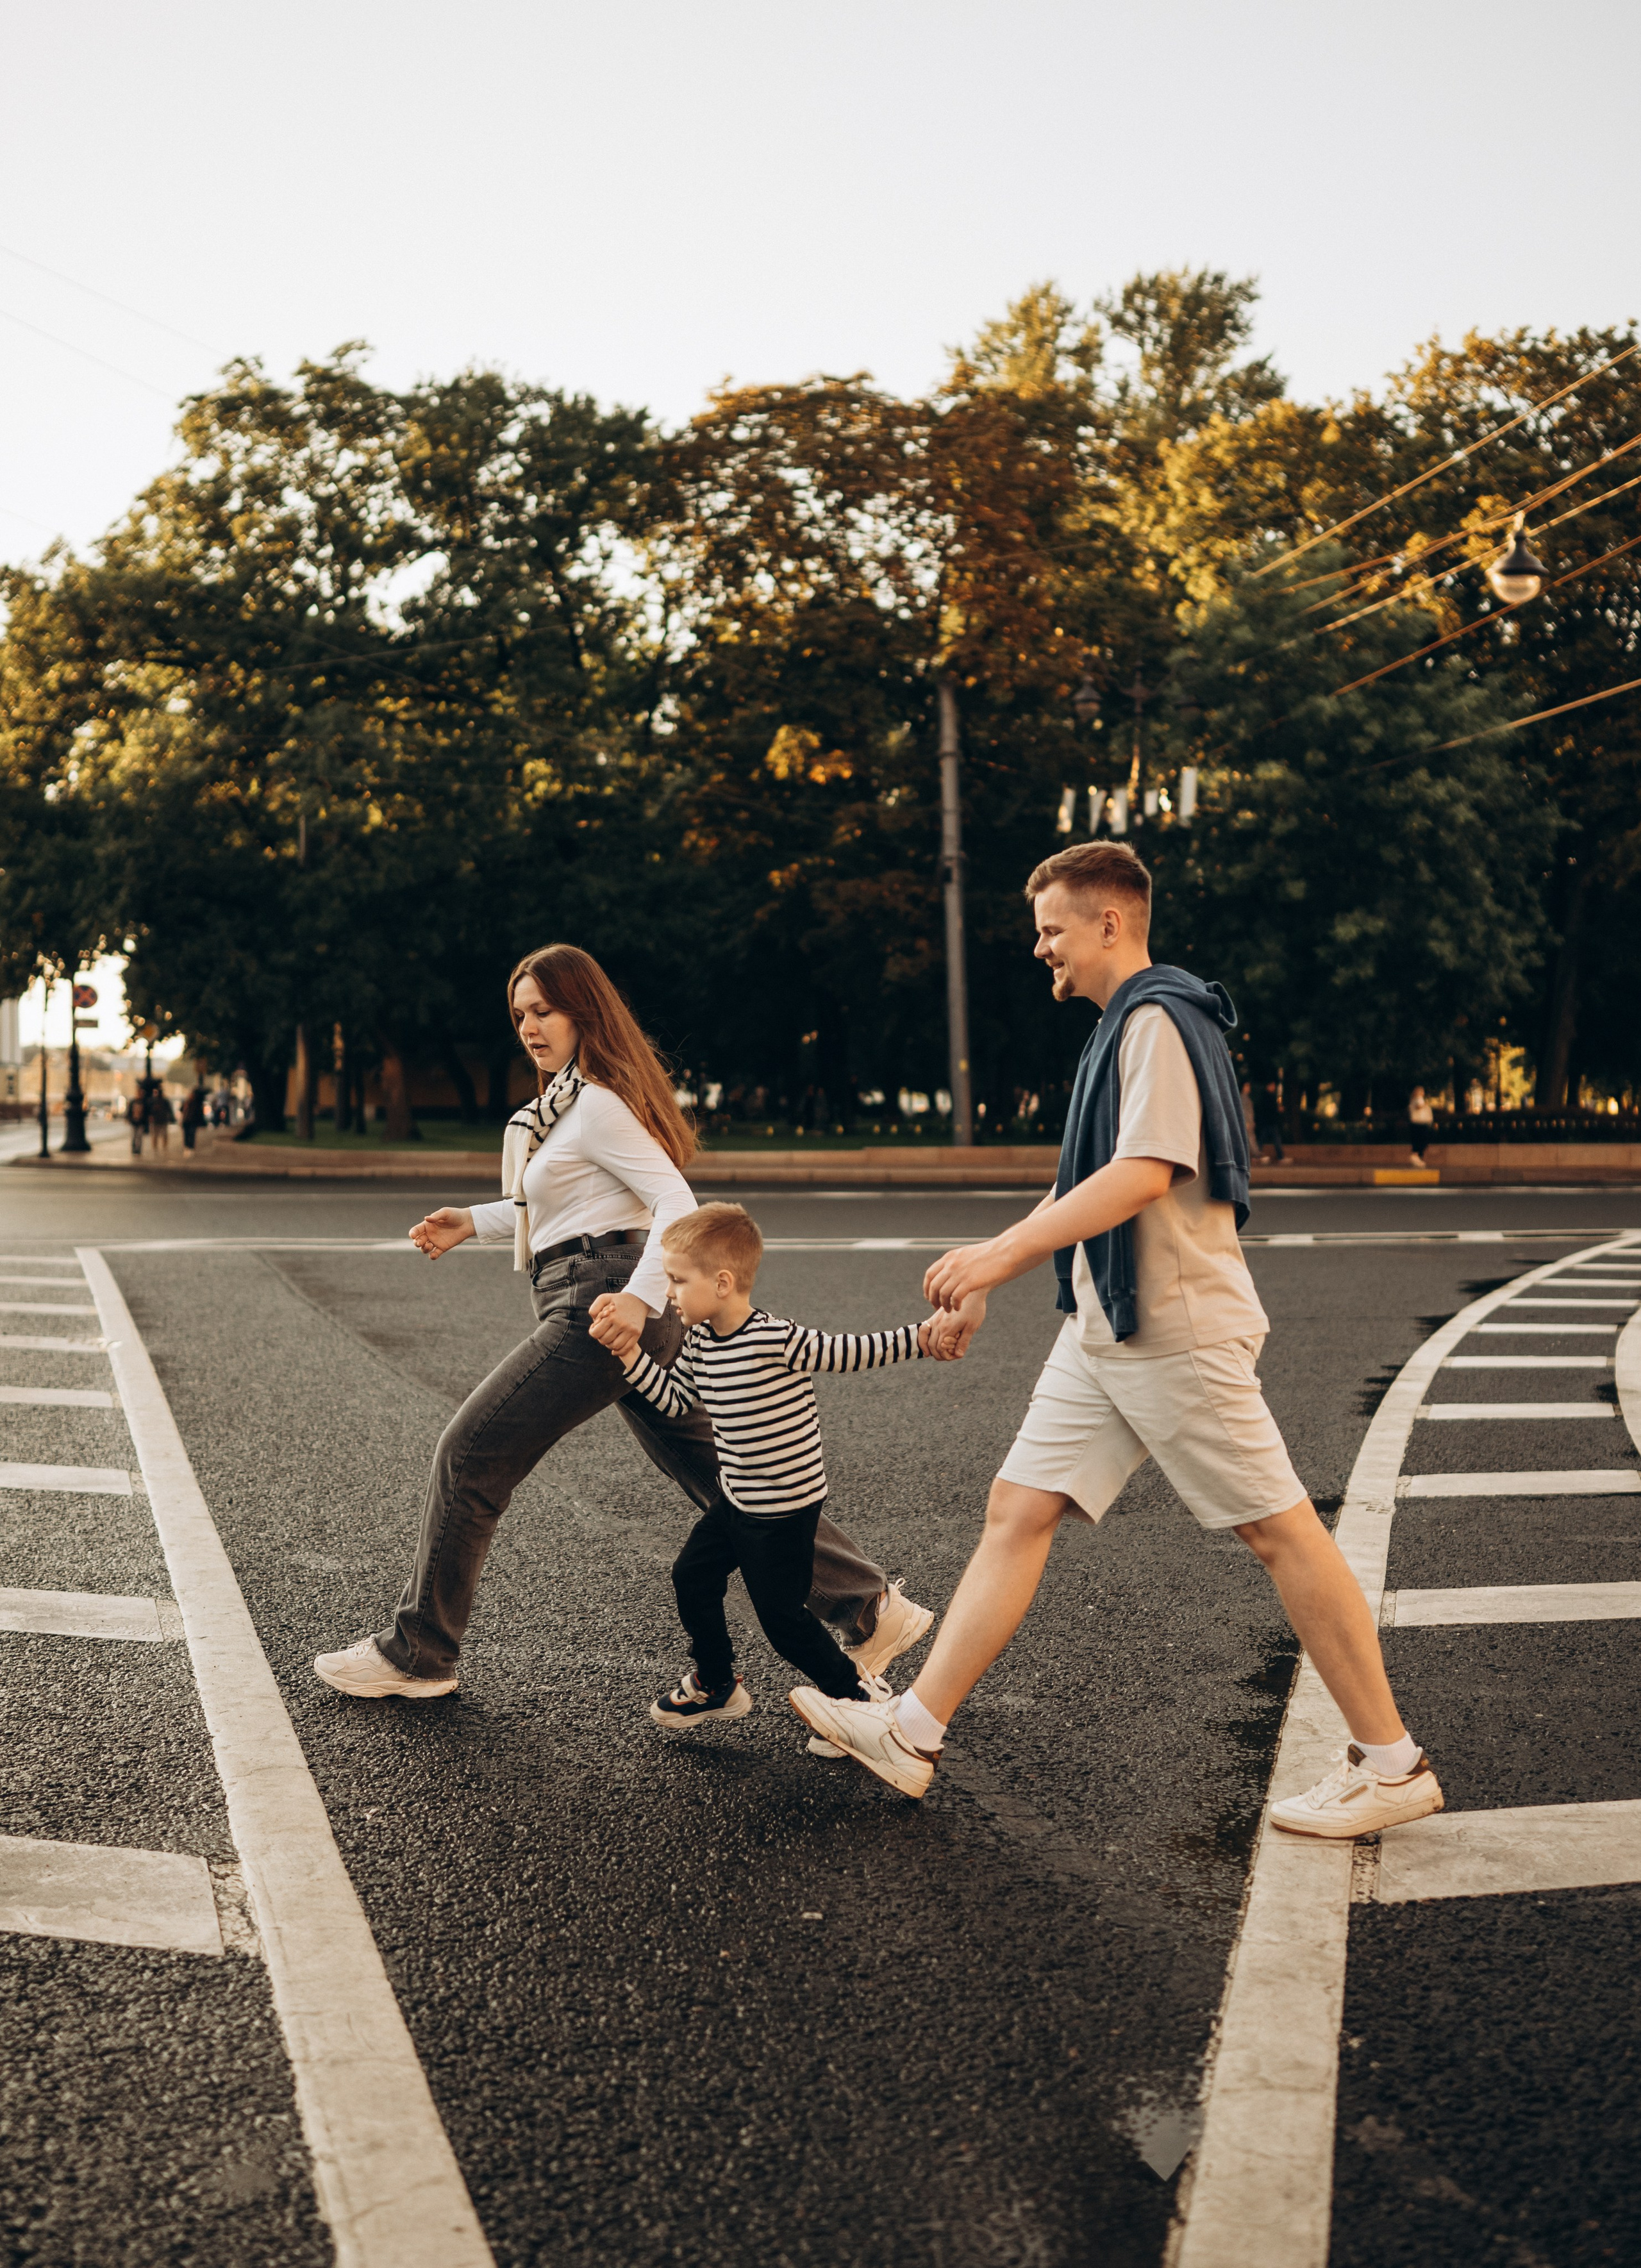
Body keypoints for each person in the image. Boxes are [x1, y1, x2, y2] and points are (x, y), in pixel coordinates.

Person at [792, 841, 1443, 1843]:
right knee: (1017, 1509)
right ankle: (911, 1731)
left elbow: (1145, 1171)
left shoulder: (1157, 1020)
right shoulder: (1120, 1031)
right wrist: (993, 1276)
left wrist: (999, 1256)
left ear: (1109, 922)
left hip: (1173, 1327)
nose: (1040, 948)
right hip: (1107, 1324)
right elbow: (1085, 1180)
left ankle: (1392, 1763)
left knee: (1279, 1532)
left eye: (1052, 929)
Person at [315, 944, 932, 1700]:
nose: (530, 1027)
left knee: (471, 1454)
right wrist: (468, 1222)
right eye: (519, 1014)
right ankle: (869, 1609)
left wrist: (638, 1303)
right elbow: (563, 1206)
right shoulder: (568, 1106)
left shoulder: (597, 1104)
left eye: (545, 1009)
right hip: (604, 1293)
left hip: (601, 1305)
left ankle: (419, 1653)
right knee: (727, 1478)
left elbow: (676, 1202)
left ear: (584, 1009)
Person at [596, 1202, 942, 1728]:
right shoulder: (701, 1343)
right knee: (691, 1576)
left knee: (784, 1623)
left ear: (722, 1283)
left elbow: (852, 1351)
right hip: (737, 1500)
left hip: (784, 1512)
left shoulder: (774, 1338)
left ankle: (859, 1705)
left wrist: (923, 1337)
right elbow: (673, 1400)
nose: (667, 1292)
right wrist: (630, 1358)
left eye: (676, 1280)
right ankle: (716, 1681)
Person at [1254, 1079, 1285, 1164]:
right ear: (1269, 1086)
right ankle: (1280, 1157)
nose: (1274, 1087)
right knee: (1274, 1139)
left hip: (1268, 1122)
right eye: (1273, 1086)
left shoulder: (1268, 1096)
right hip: (1269, 1122)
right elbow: (1269, 1109)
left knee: (1263, 1139)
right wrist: (1278, 1109)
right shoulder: (1267, 1096)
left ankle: (1257, 1155)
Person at [1408, 1084, 1435, 1165]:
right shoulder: (1418, 1099)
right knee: (1422, 1140)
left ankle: (1417, 1156)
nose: (1423, 1093)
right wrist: (1425, 1106)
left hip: (1418, 1123)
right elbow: (1418, 1106)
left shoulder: (1414, 1100)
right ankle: (1416, 1155)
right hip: (1419, 1123)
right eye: (1422, 1091)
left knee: (1419, 1140)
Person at [126, 1085, 147, 1157]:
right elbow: (129, 1111)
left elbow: (146, 1113)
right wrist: (128, 1119)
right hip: (134, 1122)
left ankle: (138, 1151)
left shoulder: (144, 1103)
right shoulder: (133, 1102)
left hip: (141, 1122)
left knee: (139, 1137)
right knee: (134, 1137)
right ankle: (134, 1150)